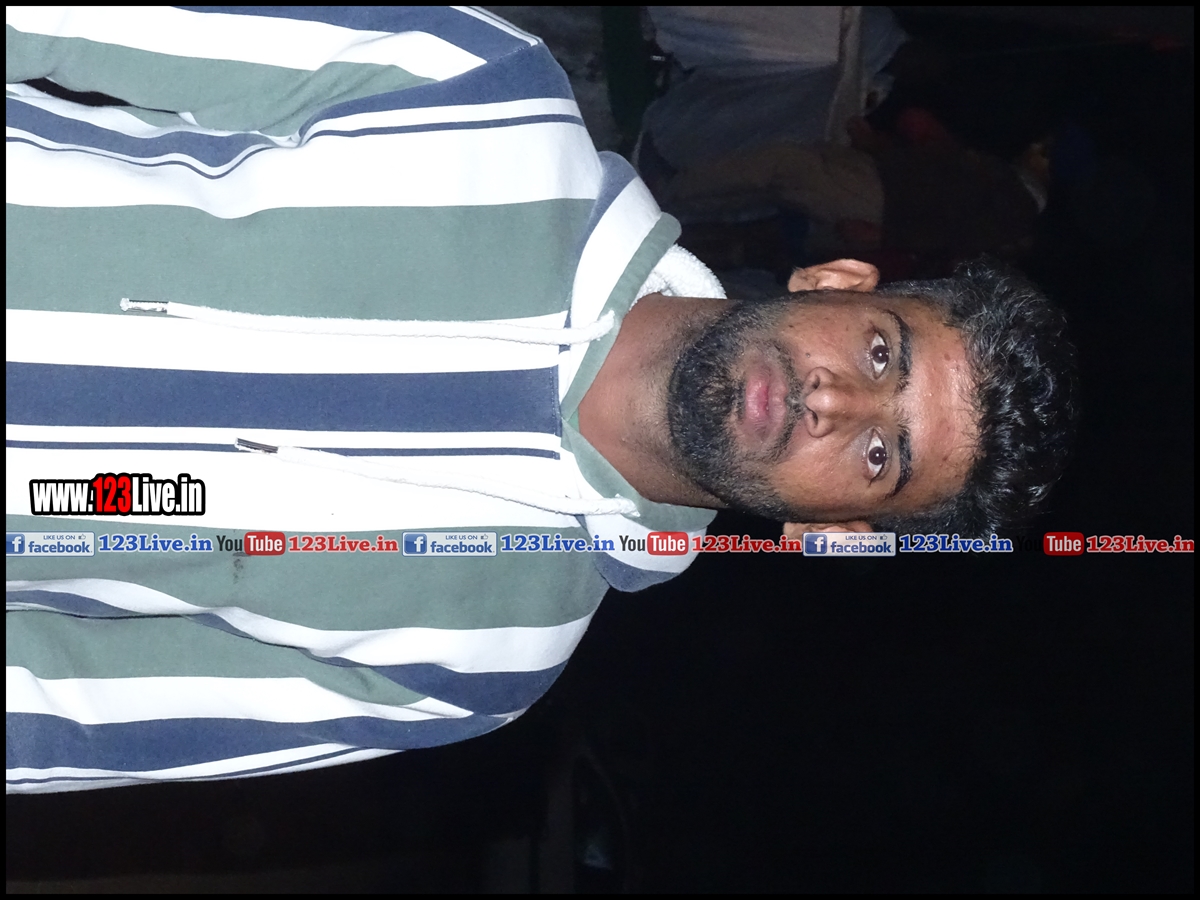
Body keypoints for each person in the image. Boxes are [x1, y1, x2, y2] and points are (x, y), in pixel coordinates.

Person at [5, 7, 1077, 793]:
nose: (836, 405)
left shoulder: (483, 662)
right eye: (883, 355)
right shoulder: (481, 94)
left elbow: (57, 718)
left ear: (829, 532)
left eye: (882, 458)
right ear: (838, 282)